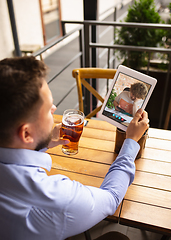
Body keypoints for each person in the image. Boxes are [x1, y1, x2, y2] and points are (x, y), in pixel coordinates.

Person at [0, 56, 149, 240]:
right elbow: (111, 198)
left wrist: (41, 143)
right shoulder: (60, 198)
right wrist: (132, 141)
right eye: (48, 110)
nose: (54, 108)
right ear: (26, 134)